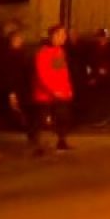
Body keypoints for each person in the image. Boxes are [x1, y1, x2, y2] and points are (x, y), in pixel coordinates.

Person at [31, 25, 74, 154]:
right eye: (61, 34)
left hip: (60, 93)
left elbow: (62, 72)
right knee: (45, 121)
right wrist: (53, 90)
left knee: (63, 117)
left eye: (64, 35)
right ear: (53, 36)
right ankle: (40, 147)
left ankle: (61, 141)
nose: (65, 37)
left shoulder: (59, 51)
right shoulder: (43, 53)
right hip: (46, 95)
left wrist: (67, 88)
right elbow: (42, 75)